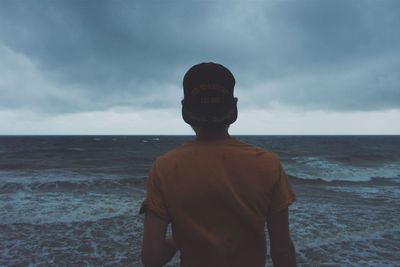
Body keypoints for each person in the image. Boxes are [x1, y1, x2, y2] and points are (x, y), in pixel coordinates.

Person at [140, 62, 296, 267]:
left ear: (185, 107)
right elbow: (282, 251)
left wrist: (177, 239)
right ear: (233, 106)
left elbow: (152, 259)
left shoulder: (165, 167)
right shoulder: (267, 164)